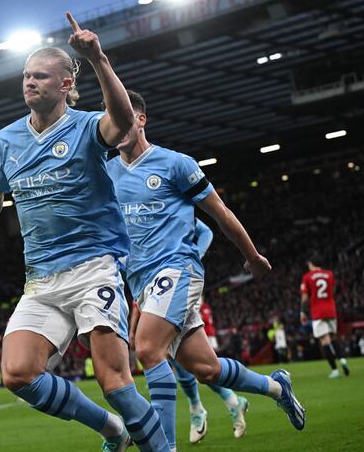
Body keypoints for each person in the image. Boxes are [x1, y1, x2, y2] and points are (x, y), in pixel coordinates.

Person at [0, 12, 169, 452]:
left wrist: (98, 59)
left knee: (114, 380)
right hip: (41, 279)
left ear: (66, 85)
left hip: (95, 267)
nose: (29, 83)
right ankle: (111, 429)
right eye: (25, 76)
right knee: (17, 373)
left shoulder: (88, 127)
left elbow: (124, 122)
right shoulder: (6, 142)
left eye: (40, 76)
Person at [107, 90, 306, 450]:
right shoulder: (106, 174)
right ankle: (278, 387)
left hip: (178, 269)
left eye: (125, 117)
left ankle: (163, 447)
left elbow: (220, 214)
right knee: (207, 369)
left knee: (148, 348)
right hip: (140, 282)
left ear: (141, 119)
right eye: (112, 118)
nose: (118, 125)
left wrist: (253, 256)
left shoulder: (175, 164)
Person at [132, 218, 249, 444]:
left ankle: (204, 408)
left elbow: (206, 233)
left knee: (180, 353)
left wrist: (195, 254)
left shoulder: (172, 202)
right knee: (177, 355)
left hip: (181, 279)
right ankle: (226, 402)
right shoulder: (142, 207)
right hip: (158, 280)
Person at [300, 260, 350, 378]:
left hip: (318, 311)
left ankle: (334, 370)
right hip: (331, 310)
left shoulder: (307, 277)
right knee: (333, 337)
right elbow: (332, 290)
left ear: (311, 264)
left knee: (325, 341)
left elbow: (305, 297)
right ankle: (342, 359)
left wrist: (302, 312)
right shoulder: (329, 274)